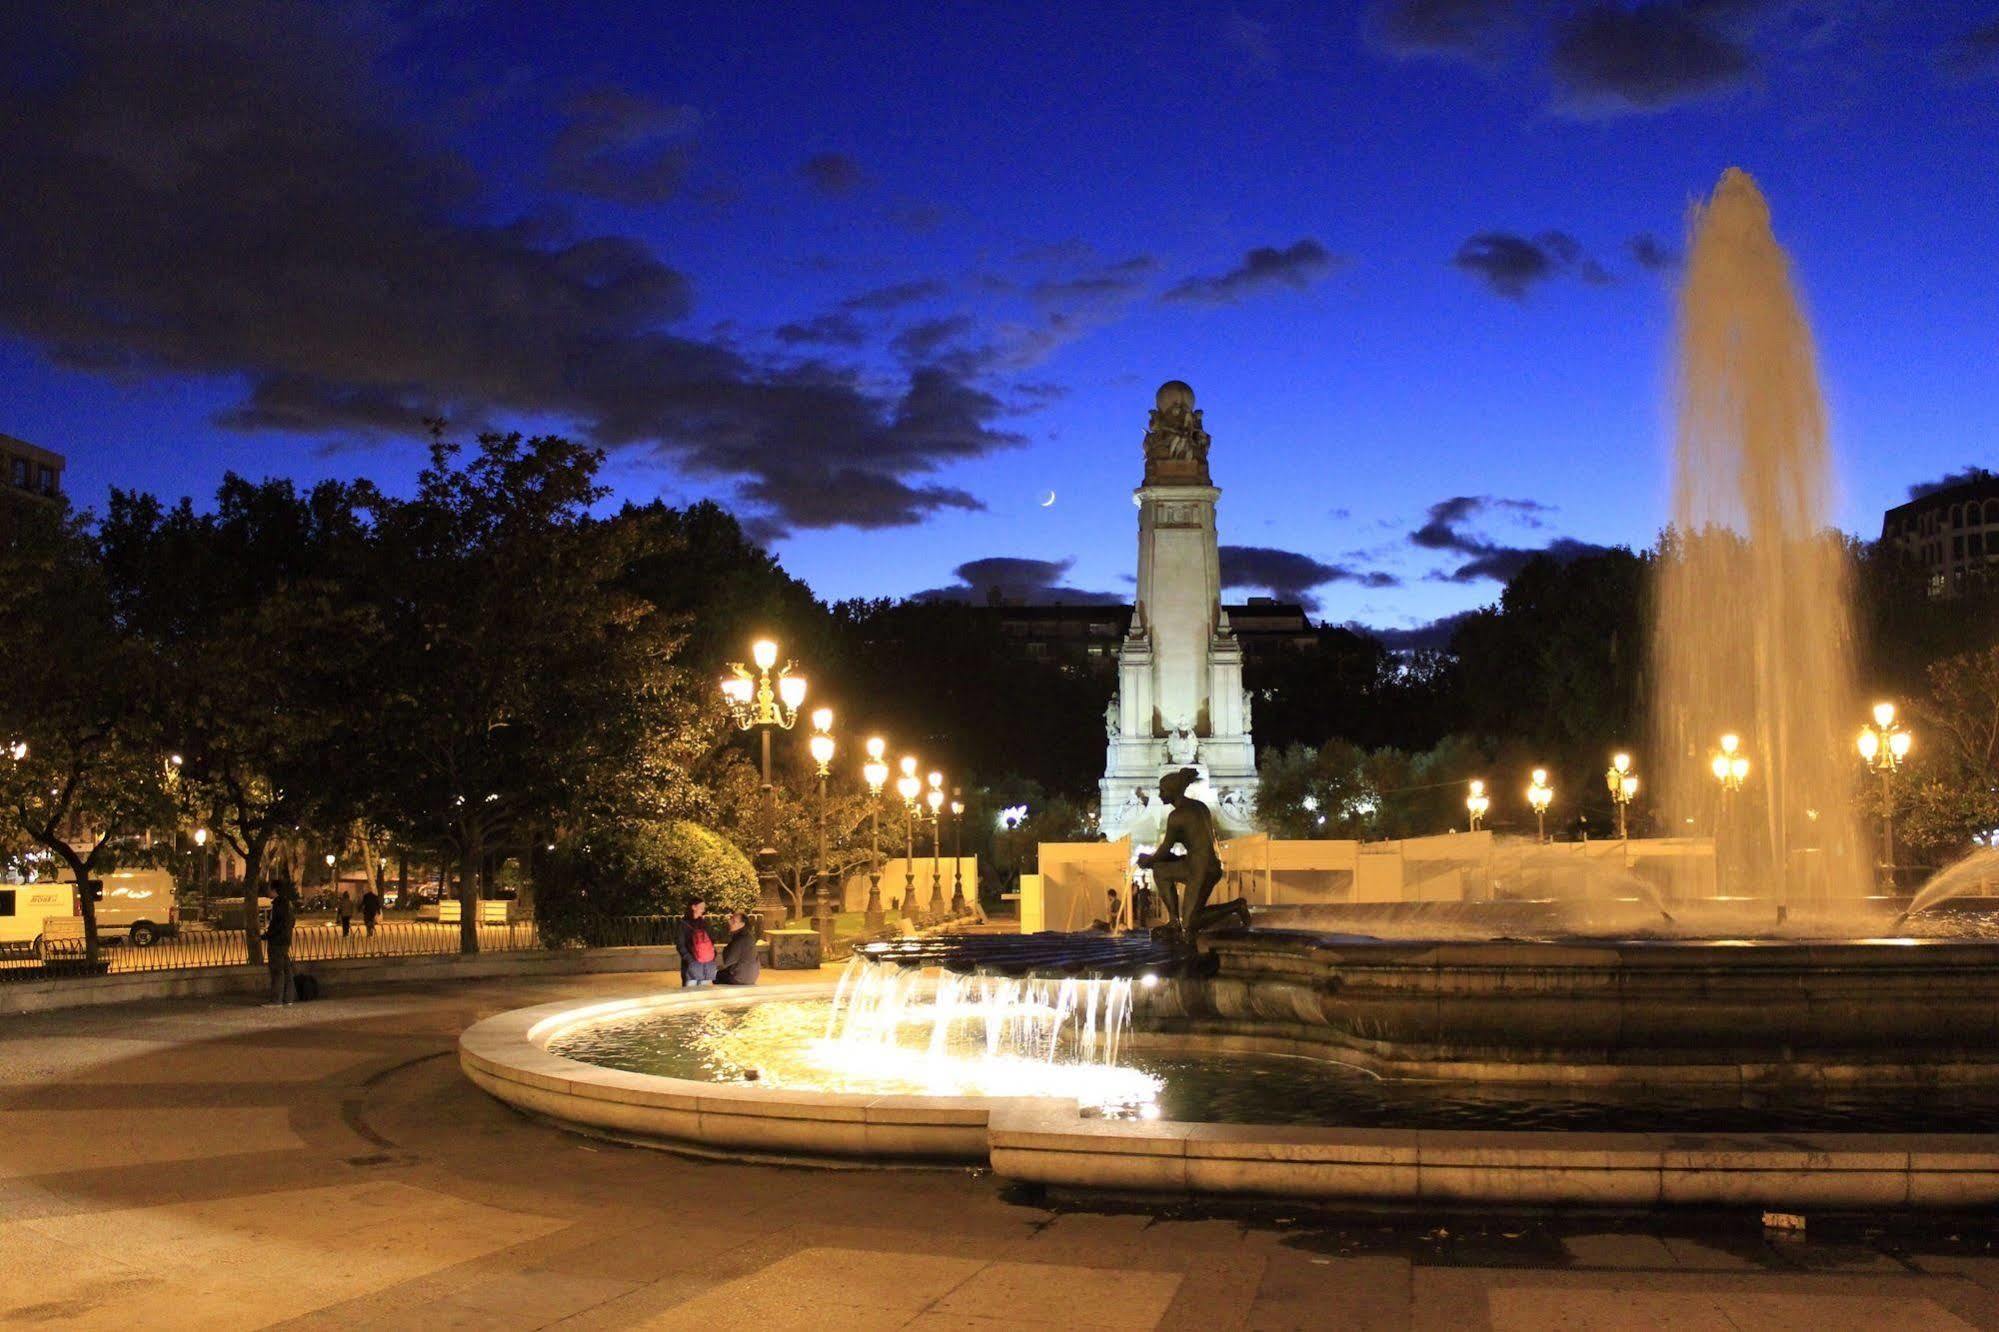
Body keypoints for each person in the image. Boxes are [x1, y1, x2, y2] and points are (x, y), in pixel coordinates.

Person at [1134, 767, 1249, 944]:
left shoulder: (1177, 816)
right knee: (1161, 870)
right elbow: (1196, 843)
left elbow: (1165, 849)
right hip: (1207, 865)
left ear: (1172, 791)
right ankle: (1174, 922)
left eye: (1162, 791)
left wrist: (1148, 860)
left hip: (1199, 869)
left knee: (1190, 922)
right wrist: (1159, 860)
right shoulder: (1200, 807)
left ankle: (1236, 906)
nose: (1159, 795)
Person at [263, 877, 297, 1005]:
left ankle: (276, 1000)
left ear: (274, 890)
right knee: (286, 969)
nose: (267, 891)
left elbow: (277, 924)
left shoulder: (279, 904)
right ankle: (288, 998)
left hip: (277, 941)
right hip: (285, 940)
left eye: (269, 888)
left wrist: (267, 935)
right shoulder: (288, 903)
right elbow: (292, 921)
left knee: (277, 970)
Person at [676, 899, 718, 987]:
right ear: (693, 907)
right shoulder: (685, 924)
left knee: (699, 991)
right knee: (693, 991)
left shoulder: (703, 923)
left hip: (702, 964)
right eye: (701, 907)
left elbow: (710, 941)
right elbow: (680, 945)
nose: (703, 910)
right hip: (697, 964)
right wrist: (690, 960)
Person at [716, 911, 760, 986]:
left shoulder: (740, 939)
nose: (730, 922)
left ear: (742, 924)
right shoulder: (748, 936)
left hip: (741, 978)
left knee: (717, 975)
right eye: (731, 919)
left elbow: (726, 961)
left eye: (733, 921)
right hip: (752, 976)